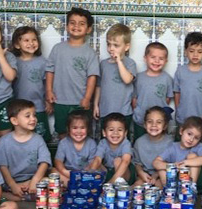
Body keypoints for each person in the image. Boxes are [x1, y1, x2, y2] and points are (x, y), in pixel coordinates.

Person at [46, 7, 100, 139]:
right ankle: (63, 158)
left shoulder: (90, 53)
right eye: (72, 22)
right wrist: (49, 91)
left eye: (81, 23)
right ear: (66, 26)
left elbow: (92, 77)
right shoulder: (57, 49)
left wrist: (87, 98)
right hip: (60, 101)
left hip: (80, 102)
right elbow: (50, 70)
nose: (76, 26)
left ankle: (83, 159)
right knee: (62, 132)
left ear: (88, 29)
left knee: (82, 134)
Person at [0, 100, 52, 202]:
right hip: (11, 182)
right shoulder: (3, 141)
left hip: (33, 180)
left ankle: (25, 196)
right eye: (27, 116)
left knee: (49, 182)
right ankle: (21, 195)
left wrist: (34, 180)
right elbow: (2, 167)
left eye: (34, 115)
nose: (33, 119)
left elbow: (44, 162)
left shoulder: (38, 139)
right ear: (14, 121)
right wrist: (13, 185)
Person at [93, 23, 136, 133]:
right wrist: (95, 105)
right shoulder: (103, 64)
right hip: (105, 112)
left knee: (122, 142)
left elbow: (127, 80)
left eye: (116, 45)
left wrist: (118, 61)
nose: (111, 48)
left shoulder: (130, 64)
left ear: (126, 47)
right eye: (109, 44)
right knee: (106, 141)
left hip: (124, 112)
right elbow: (99, 86)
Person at [10, 26, 51, 142]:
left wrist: (48, 101)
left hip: (38, 107)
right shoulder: (14, 61)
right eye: (26, 40)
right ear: (17, 45)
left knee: (41, 136)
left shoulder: (43, 62)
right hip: (18, 108)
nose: (31, 43)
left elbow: (47, 83)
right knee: (21, 136)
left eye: (34, 40)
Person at [173, 32, 202, 131]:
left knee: (199, 143)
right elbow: (177, 92)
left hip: (201, 118)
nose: (195, 55)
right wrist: (178, 110)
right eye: (192, 51)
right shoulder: (180, 71)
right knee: (181, 143)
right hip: (183, 117)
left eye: (200, 52)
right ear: (185, 51)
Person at [132, 42, 173, 140]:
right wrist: (138, 111)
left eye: (161, 58)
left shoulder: (167, 78)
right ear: (145, 58)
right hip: (141, 119)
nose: (157, 61)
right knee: (140, 142)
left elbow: (167, 98)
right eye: (153, 57)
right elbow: (134, 99)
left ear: (166, 61)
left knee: (160, 143)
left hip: (160, 122)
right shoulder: (138, 78)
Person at [153, 116, 202, 183]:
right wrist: (173, 166)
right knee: (161, 169)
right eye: (189, 134)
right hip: (178, 179)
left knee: (191, 156)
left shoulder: (198, 146)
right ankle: (169, 190)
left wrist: (185, 162)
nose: (191, 139)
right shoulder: (172, 147)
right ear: (181, 131)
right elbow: (156, 163)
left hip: (198, 179)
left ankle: (191, 187)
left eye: (196, 138)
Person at [53, 110, 98, 187]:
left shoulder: (91, 143)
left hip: (85, 174)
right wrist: (65, 171)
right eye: (75, 128)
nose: (79, 131)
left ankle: (77, 184)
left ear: (88, 129)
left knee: (98, 170)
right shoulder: (64, 143)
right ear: (68, 129)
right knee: (53, 171)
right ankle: (74, 185)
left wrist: (86, 173)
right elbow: (58, 161)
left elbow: (92, 164)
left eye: (82, 128)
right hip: (68, 174)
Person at [132, 107, 174, 187]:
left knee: (160, 185)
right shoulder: (139, 142)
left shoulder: (170, 142)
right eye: (150, 122)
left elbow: (170, 165)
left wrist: (156, 175)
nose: (154, 125)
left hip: (162, 174)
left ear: (165, 126)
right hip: (145, 175)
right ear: (144, 125)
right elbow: (137, 163)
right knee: (137, 185)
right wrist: (141, 173)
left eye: (159, 122)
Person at [89, 113, 134, 183]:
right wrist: (90, 174)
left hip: (124, 174)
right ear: (104, 133)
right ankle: (93, 184)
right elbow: (98, 159)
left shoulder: (125, 143)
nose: (115, 133)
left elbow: (126, 161)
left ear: (125, 133)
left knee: (117, 161)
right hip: (109, 172)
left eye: (119, 130)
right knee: (94, 162)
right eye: (111, 130)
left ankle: (119, 186)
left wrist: (111, 182)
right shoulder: (103, 143)